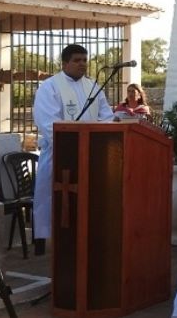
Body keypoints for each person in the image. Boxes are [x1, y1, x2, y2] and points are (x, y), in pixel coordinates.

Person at [33, 44, 115, 241]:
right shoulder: (50, 87)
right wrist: (74, 147)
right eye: (77, 60)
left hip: (93, 156)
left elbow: (107, 117)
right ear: (64, 63)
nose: (82, 64)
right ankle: (60, 243)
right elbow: (48, 124)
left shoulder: (93, 87)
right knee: (62, 209)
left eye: (85, 60)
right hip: (61, 157)